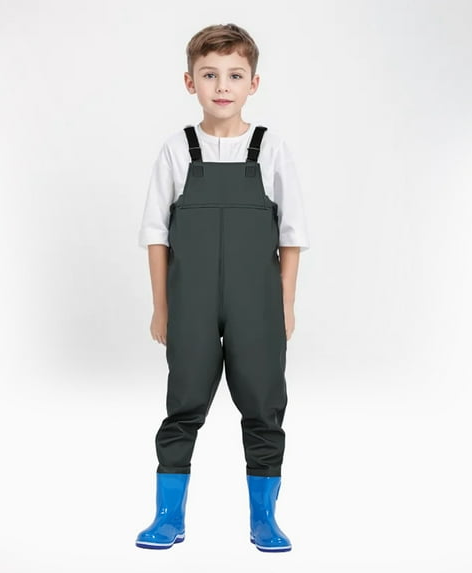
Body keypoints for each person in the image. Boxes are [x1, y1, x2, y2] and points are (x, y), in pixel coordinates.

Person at [135, 23, 310, 552]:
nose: (222, 86)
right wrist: (161, 307)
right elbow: (156, 235)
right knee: (184, 402)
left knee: (262, 403)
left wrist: (285, 305)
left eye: (235, 75)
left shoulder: (271, 148)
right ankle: (168, 515)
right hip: (190, 302)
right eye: (209, 75)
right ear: (190, 82)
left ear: (253, 83)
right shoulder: (177, 149)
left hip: (257, 303)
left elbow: (292, 235)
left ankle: (265, 519)